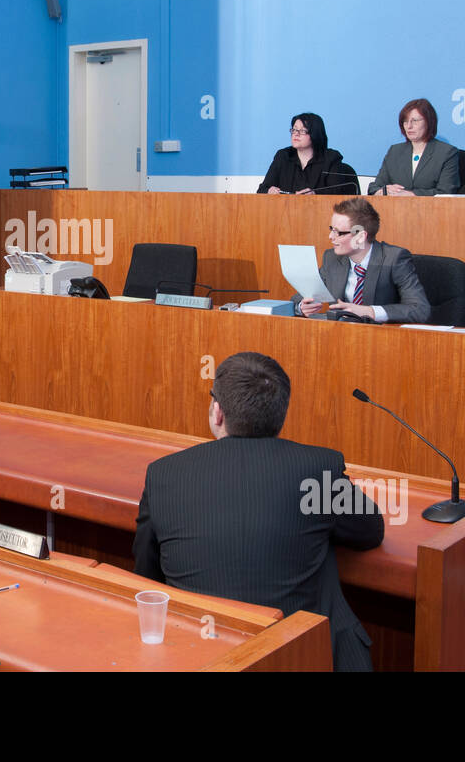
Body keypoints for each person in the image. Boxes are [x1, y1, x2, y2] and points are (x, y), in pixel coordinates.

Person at [132, 351, 384, 671]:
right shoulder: (317, 470)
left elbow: (146, 580)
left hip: (200, 658)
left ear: (218, 412)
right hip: (300, 658)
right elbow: (370, 532)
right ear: (281, 414)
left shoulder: (165, 475)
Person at [293, 197, 430, 323]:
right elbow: (300, 297)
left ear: (360, 237)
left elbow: (419, 309)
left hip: (382, 339)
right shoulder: (332, 258)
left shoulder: (394, 258)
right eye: (331, 229)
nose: (330, 236)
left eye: (338, 232)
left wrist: (369, 311)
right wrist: (302, 306)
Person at [367, 98, 460, 196]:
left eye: (415, 121)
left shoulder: (446, 152)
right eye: (405, 121)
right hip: (395, 209)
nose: (409, 126)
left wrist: (411, 194)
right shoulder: (395, 151)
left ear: (429, 122)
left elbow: (446, 192)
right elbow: (375, 187)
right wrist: (383, 191)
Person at [256, 113, 356, 195]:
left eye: (303, 131)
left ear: (315, 134)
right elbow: (262, 189)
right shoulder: (283, 156)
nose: (296, 134)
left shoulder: (331, 158)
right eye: (294, 129)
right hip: (286, 214)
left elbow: (337, 193)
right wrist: (269, 191)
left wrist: (315, 194)